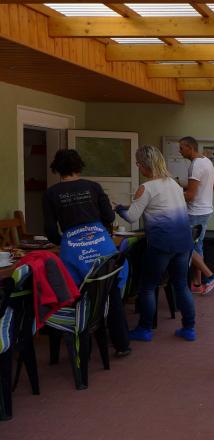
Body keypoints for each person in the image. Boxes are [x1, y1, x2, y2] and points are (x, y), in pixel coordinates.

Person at [43, 148, 131, 357]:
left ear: (57, 169)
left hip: (73, 251)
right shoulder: (93, 187)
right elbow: (109, 217)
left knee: (77, 293)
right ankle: (122, 344)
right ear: (79, 166)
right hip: (102, 246)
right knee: (109, 290)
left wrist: (65, 242)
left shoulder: (51, 193)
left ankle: (83, 346)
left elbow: (50, 229)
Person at [115, 145, 196, 343]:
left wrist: (118, 208)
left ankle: (144, 329)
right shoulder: (173, 184)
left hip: (161, 244)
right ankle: (189, 328)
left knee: (147, 286)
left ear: (143, 165)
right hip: (184, 242)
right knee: (181, 285)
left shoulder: (147, 188)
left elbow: (132, 217)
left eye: (138, 163)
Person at [179, 136, 214, 295]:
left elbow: (190, 196)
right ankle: (197, 283)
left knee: (187, 246)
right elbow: (212, 185)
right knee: (197, 246)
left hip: (195, 212)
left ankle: (210, 276)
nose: (180, 151)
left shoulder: (195, 165)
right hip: (206, 209)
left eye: (181, 148)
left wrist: (172, 192)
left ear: (190, 147)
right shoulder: (207, 161)